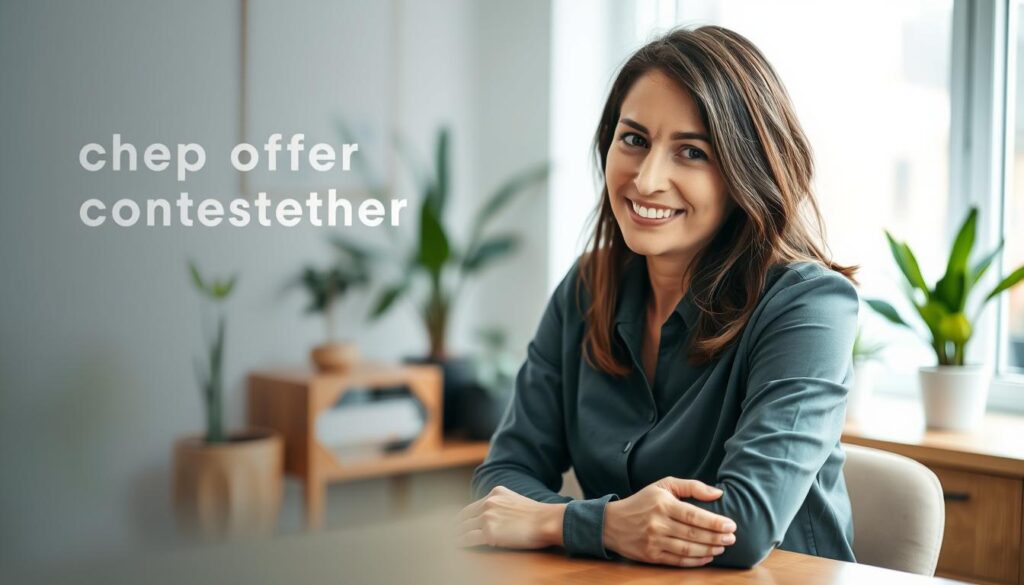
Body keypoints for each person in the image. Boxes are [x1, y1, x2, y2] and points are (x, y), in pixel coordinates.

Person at [455, 25, 859, 570]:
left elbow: (743, 527)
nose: (646, 179)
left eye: (691, 152)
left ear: (746, 171)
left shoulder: (808, 307)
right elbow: (502, 479)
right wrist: (612, 527)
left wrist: (564, 521)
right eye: (634, 139)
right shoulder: (586, 288)